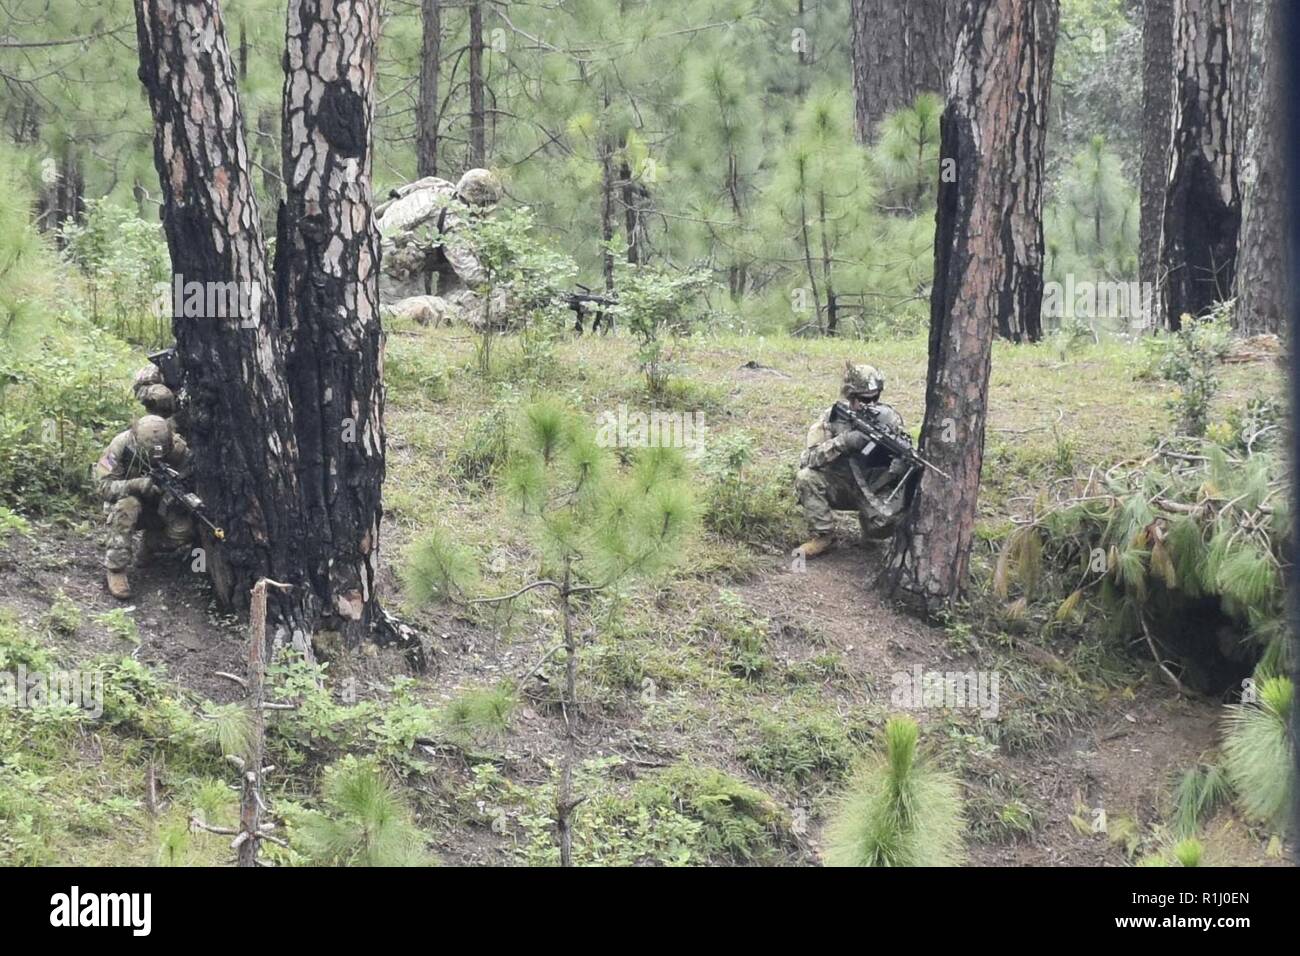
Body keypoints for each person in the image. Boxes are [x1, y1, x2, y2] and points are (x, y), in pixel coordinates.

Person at [794, 363, 910, 558]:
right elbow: (808, 459)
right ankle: (824, 536)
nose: (871, 404)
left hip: (874, 487)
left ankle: (871, 531)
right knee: (806, 478)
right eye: (865, 399)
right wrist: (844, 442)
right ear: (851, 397)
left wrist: (900, 463)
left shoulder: (889, 419)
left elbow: (905, 451)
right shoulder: (831, 417)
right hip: (840, 485)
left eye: (875, 398)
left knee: (883, 523)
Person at [96, 415, 194, 599]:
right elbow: (103, 487)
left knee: (185, 529)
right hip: (128, 503)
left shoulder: (180, 450)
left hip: (162, 505)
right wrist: (135, 485)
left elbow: (188, 480)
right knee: (127, 506)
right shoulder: (119, 446)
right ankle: (116, 568)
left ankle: (150, 543)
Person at [375, 168, 503, 298]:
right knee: (405, 312)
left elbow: (452, 272)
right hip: (388, 256)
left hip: (380, 240)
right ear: (480, 202)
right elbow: (470, 272)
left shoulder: (442, 190)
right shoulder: (453, 217)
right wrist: (498, 293)